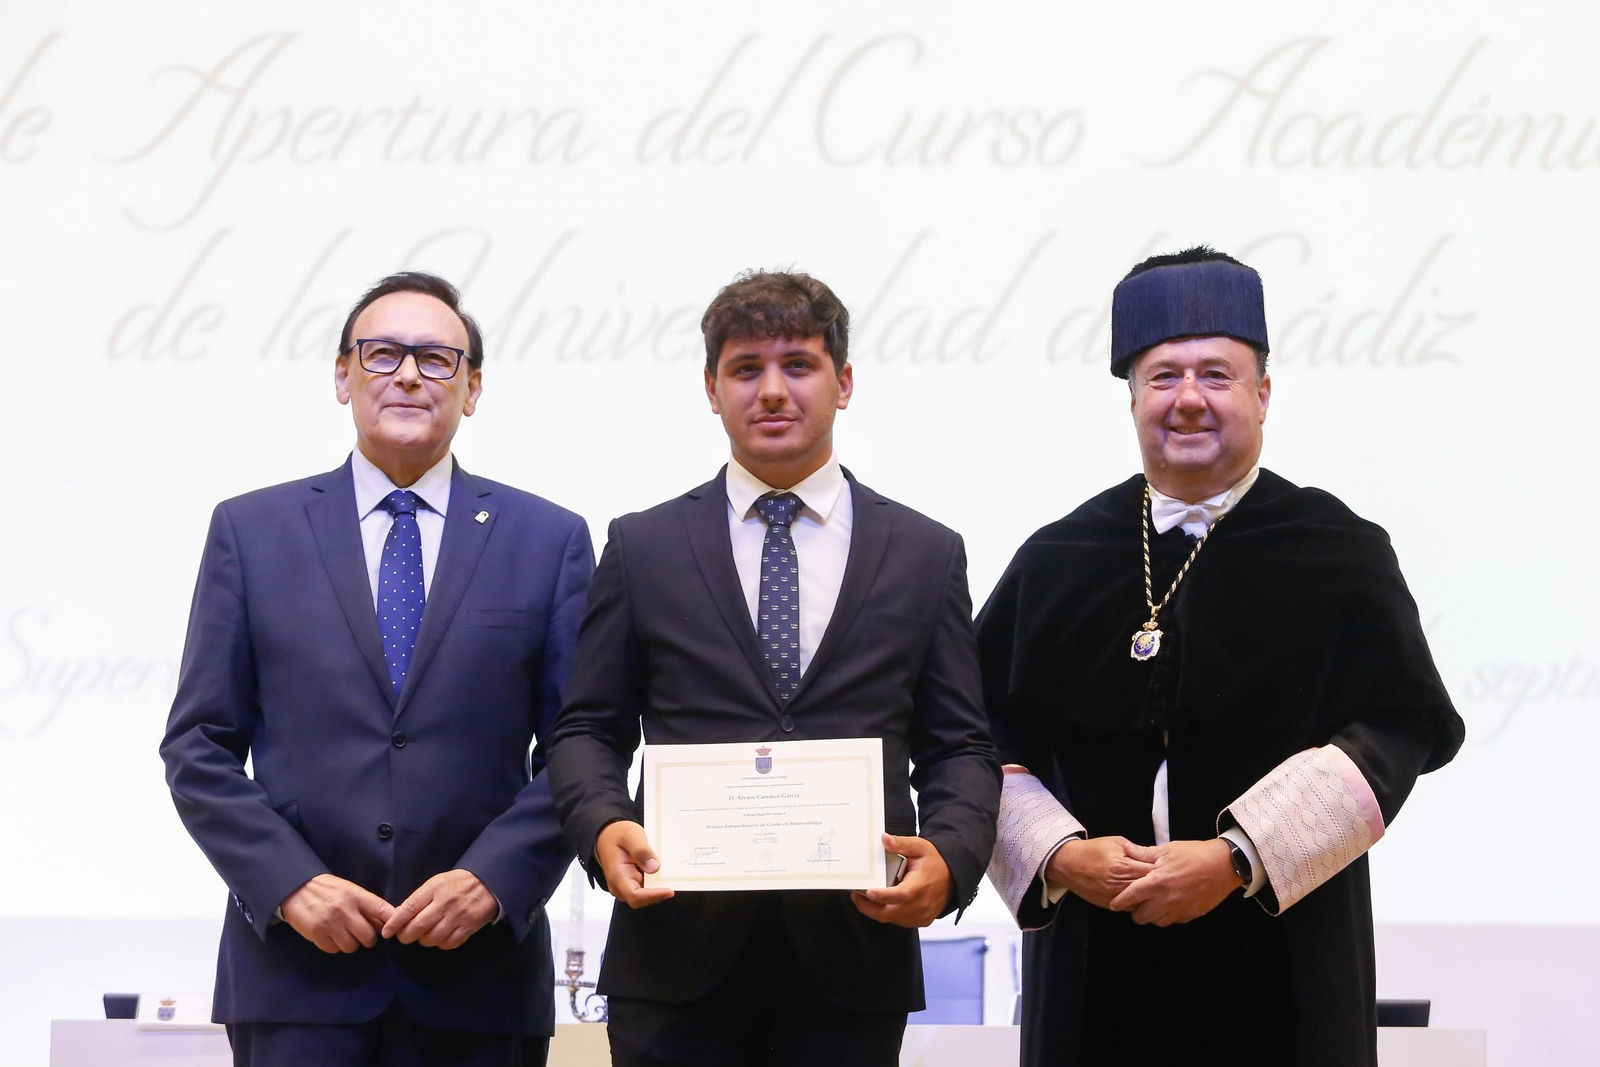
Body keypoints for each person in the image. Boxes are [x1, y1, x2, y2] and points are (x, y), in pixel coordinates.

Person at [980, 247, 1465, 1067]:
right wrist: (1061, 853)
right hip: (1098, 968)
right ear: (1132, 398)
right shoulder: (1056, 558)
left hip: (1285, 963)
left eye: (1218, 374)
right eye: (1164, 377)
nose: (1190, 400)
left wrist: (1235, 857)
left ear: (1264, 393)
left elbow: (1396, 726)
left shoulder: (1339, 551)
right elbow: (974, 733)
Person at [545, 270, 1001, 1067]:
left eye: (799, 364)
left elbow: (960, 742)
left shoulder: (927, 552)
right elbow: (587, 727)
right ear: (712, 390)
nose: (773, 390)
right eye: (746, 368)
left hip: (855, 960)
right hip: (674, 958)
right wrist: (604, 822)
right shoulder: (643, 546)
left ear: (844, 381)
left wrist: (954, 857)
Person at [160, 271, 593, 1067]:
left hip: (479, 981)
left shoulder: (549, 538)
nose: (406, 374)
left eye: (435, 359)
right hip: (297, 978)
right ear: (341, 375)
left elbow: (579, 746)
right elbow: (197, 745)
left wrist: (493, 880)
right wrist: (290, 884)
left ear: (473, 387)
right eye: (382, 352)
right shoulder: (251, 531)